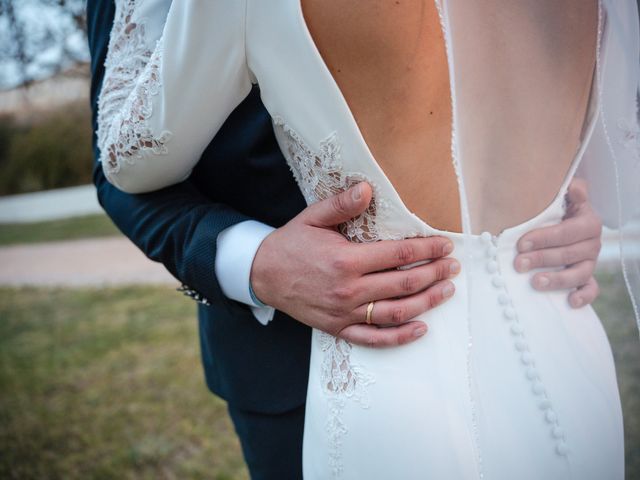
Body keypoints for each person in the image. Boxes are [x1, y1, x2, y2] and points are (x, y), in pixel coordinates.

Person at [87, 0, 639, 478]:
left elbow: (127, 158)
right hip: (563, 354)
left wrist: (569, 205)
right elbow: (623, 178)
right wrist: (255, 262)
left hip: (390, 375)